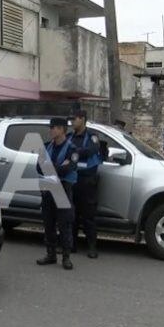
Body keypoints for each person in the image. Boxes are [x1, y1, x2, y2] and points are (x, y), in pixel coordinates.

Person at [36, 117, 78, 270]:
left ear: (61, 129)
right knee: (48, 223)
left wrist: (51, 167)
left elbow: (69, 168)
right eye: (51, 127)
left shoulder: (72, 149)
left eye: (53, 127)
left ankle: (66, 257)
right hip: (48, 189)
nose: (50, 130)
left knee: (64, 224)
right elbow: (39, 168)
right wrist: (57, 167)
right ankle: (51, 254)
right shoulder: (46, 147)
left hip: (63, 189)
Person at [68, 110, 101, 259]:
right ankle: (71, 245)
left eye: (74, 119)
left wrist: (75, 152)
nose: (72, 122)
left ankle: (92, 246)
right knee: (71, 214)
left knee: (89, 215)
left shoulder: (92, 136)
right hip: (72, 179)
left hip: (87, 181)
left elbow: (91, 151)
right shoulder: (70, 137)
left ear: (82, 119)